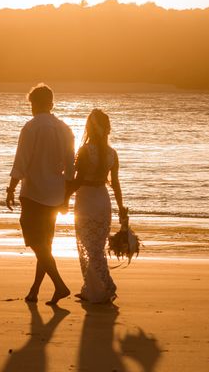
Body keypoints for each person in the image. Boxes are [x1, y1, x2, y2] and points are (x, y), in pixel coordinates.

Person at [6, 84, 75, 305]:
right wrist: (66, 197)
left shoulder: (31, 127)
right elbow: (71, 167)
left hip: (33, 193)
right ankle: (35, 290)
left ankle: (60, 285)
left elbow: (21, 161)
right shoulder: (65, 129)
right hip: (55, 193)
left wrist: (11, 188)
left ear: (35, 104)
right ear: (51, 104)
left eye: (32, 104)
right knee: (45, 245)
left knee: (37, 244)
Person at [68, 108, 129, 303]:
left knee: (88, 246)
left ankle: (103, 287)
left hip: (86, 200)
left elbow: (78, 180)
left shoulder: (85, 151)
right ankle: (95, 288)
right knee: (97, 247)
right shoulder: (112, 154)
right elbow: (116, 183)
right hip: (103, 200)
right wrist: (121, 208)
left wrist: (62, 198)